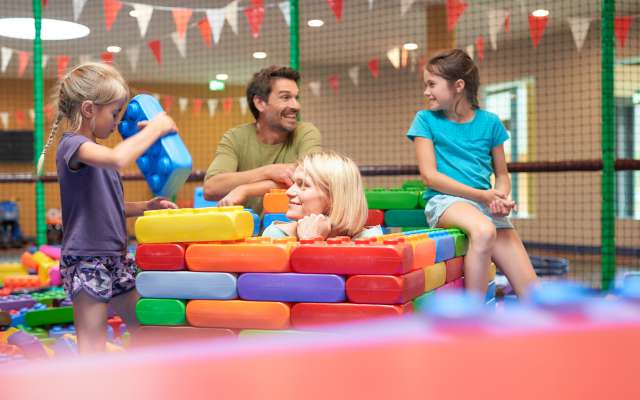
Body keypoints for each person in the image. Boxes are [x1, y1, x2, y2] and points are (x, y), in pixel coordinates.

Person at [36, 62, 178, 353]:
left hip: (116, 257)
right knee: (92, 346)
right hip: (87, 259)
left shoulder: (97, 151)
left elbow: (107, 205)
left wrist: (146, 206)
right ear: (89, 109)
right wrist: (157, 128)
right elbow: (118, 158)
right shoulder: (73, 146)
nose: (116, 122)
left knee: (147, 327)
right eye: (114, 113)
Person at [406, 49, 538, 297]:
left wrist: (499, 197)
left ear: (458, 85)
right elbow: (430, 177)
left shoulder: (490, 122)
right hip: (446, 202)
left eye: (432, 84)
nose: (426, 92)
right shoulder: (425, 120)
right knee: (483, 231)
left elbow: (502, 175)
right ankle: (473, 320)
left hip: (485, 207)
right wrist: (482, 196)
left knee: (534, 294)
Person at [203, 65, 322, 214]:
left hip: (292, 231)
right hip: (245, 233)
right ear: (260, 103)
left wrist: (245, 189)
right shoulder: (235, 137)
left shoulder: (306, 132)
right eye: (286, 97)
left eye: (296, 97)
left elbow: (310, 181)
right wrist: (267, 172)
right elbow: (211, 188)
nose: (296, 105)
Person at [262, 151, 383, 240]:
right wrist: (310, 242)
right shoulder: (276, 236)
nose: (288, 192)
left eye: (303, 185)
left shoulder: (369, 239)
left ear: (334, 197)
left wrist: (311, 243)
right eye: (294, 183)